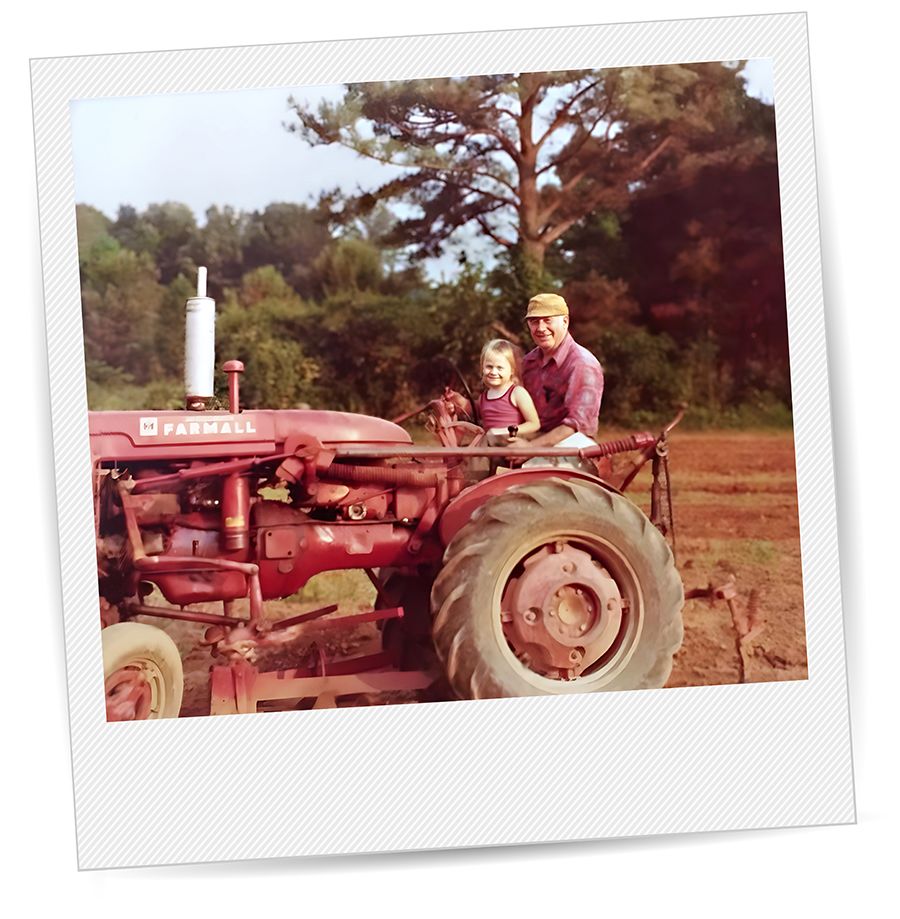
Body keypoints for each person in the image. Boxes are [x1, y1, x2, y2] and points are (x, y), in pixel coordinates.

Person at [520, 292, 604, 465]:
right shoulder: (528, 362)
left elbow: (574, 426)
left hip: (573, 446)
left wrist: (529, 449)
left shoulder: (582, 364)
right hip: (536, 438)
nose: (541, 328)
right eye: (534, 321)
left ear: (565, 321)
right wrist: (465, 406)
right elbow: (510, 401)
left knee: (525, 475)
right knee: (483, 448)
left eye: (548, 320)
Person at [476, 339, 540, 446]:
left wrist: (503, 432)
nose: (493, 372)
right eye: (489, 367)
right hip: (491, 449)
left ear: (512, 370)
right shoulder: (483, 397)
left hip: (511, 445)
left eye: (500, 368)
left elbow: (534, 424)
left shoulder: (517, 393)